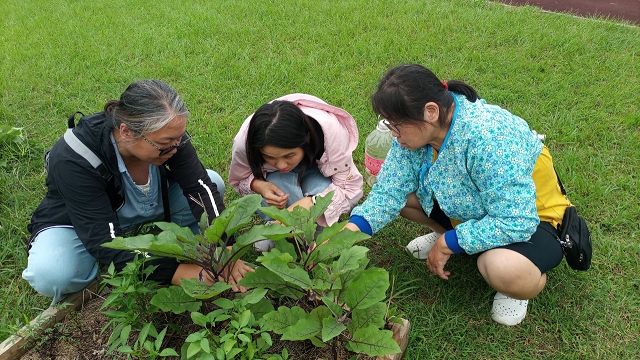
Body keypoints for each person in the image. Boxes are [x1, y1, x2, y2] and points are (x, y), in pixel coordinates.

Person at [347, 64, 571, 326]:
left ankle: (520, 283)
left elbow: (516, 220)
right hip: (475, 205)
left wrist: (449, 242)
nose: (395, 137)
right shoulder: (421, 132)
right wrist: (346, 234)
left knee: (502, 268)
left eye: (397, 126)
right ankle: (456, 236)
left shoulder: (486, 136)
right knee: (402, 198)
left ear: (430, 112)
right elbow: (387, 192)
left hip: (533, 218)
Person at [23, 80, 252, 304]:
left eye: (179, 138)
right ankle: (108, 262)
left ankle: (159, 250)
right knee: (54, 275)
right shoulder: (74, 158)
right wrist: (175, 271)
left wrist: (226, 247)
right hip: (86, 218)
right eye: (166, 142)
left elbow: (200, 187)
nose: (176, 146)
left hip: (147, 202)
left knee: (213, 182)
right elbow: (103, 240)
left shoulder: (168, 134)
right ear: (126, 132)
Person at [229, 94, 363, 250]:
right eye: (269, 157)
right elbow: (238, 179)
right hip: (273, 177)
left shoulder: (331, 133)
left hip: (316, 168)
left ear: (305, 141)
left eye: (289, 155)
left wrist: (312, 202)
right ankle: (279, 230)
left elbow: (351, 187)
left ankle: (297, 232)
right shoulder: (244, 143)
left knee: (322, 195)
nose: (281, 165)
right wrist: (258, 185)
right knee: (282, 193)